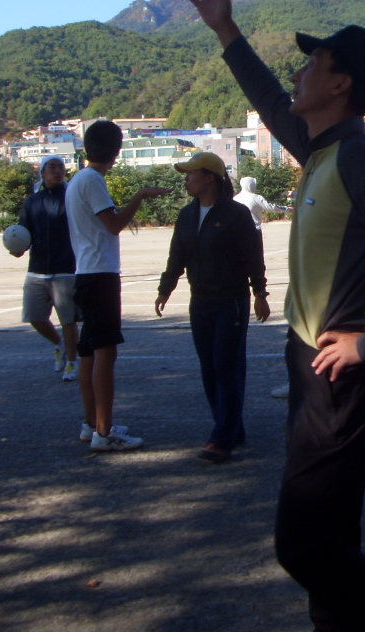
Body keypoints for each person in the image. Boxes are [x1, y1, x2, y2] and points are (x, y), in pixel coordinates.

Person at [184, 0, 365, 632]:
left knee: (300, 544)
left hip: (344, 377)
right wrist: (226, 31)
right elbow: (271, 98)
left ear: (340, 83)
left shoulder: (357, 156)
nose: (298, 75)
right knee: (331, 539)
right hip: (311, 366)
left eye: (312, 65)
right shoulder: (321, 147)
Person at [154, 152, 270, 463]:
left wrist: (260, 292)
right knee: (209, 369)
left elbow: (253, 256)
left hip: (230, 302)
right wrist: (165, 289)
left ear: (209, 178)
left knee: (225, 366)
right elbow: (177, 256)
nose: (187, 178)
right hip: (200, 302)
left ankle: (221, 438)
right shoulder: (187, 215)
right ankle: (231, 427)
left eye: (192, 173)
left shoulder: (235, 214)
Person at [65, 120, 170, 451]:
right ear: (116, 151)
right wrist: (140, 196)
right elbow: (113, 225)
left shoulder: (78, 180)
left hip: (86, 272)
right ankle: (105, 432)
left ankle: (91, 424)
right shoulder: (93, 180)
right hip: (100, 274)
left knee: (88, 352)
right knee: (105, 352)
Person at [11, 155, 80, 381]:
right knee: (34, 316)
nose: (57, 171)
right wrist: (19, 248)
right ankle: (59, 344)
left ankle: (72, 362)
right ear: (42, 172)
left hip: (66, 268)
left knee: (68, 320)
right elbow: (25, 231)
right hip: (37, 269)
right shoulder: (32, 201)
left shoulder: (72, 198)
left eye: (61, 167)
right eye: (52, 167)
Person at [232, 177, 292, 399]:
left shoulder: (235, 199)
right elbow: (270, 206)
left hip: (236, 234)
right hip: (254, 230)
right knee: (257, 261)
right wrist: (288, 209)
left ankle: (254, 282)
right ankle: (258, 284)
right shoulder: (254, 197)